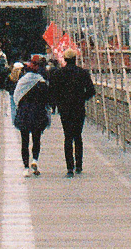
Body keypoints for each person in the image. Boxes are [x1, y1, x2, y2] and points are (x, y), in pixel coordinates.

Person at [46, 46, 97, 176]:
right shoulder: (83, 73)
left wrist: (57, 103)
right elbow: (91, 90)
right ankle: (79, 165)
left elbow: (52, 91)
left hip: (65, 109)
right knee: (78, 136)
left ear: (65, 59)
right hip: (78, 108)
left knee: (68, 137)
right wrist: (82, 98)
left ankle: (70, 167)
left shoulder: (58, 74)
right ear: (75, 59)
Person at [12, 53, 52, 176]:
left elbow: (16, 97)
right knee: (36, 139)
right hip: (38, 114)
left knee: (24, 141)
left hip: (24, 113)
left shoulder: (22, 81)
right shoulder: (41, 82)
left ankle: (25, 167)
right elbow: (47, 99)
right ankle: (35, 160)